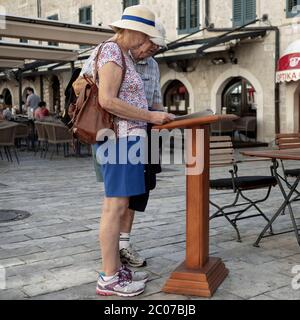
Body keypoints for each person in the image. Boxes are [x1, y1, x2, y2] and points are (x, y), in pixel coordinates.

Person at [85, 5, 174, 297]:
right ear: (131, 30)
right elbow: (108, 100)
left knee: (120, 205)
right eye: (146, 36)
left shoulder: (122, 56)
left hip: (126, 141)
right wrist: (151, 117)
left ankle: (115, 271)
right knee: (114, 208)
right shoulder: (112, 52)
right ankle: (109, 279)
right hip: (118, 140)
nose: (148, 43)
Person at [118, 21, 167, 268]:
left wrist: (169, 118)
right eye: (151, 46)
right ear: (140, 37)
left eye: (157, 49)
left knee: (139, 191)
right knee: (118, 193)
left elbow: (155, 101)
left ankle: (124, 244)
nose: (152, 52)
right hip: (116, 134)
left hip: (146, 133)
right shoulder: (115, 55)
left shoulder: (153, 65)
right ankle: (112, 246)